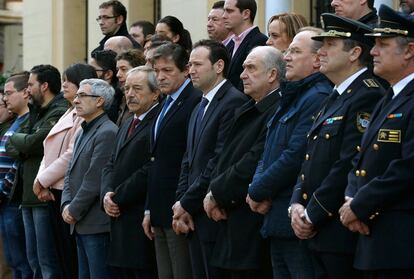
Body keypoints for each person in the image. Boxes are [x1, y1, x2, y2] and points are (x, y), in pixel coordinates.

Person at [290, 15, 384, 279]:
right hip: (316, 229)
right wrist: (296, 204)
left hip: (337, 230)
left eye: (330, 44)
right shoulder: (335, 94)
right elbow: (309, 157)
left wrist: (312, 213)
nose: (321, 51)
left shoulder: (367, 93)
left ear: (354, 53)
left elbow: (348, 163)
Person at [246, 28, 332, 279]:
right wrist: (256, 186)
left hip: (294, 219)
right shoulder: (293, 97)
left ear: (317, 60)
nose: (286, 57)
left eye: (295, 51)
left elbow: (295, 155)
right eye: (288, 51)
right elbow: (268, 149)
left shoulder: (316, 97)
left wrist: (257, 190)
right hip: (276, 217)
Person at [338, 5, 414, 278]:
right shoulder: (389, 96)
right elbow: (361, 157)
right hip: (372, 238)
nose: (373, 51)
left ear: (409, 50)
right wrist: (351, 198)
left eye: (383, 44)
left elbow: (407, 167)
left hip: (400, 242)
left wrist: (359, 205)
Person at [201, 46, 284, 278]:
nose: (242, 74)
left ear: (272, 75)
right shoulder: (251, 107)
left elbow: (252, 161)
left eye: (251, 68)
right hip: (231, 220)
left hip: (248, 222)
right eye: (244, 67)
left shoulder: (276, 109)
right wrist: (212, 191)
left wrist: (216, 192)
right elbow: (224, 158)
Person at [173, 39, 247, 279]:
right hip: (193, 213)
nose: (190, 70)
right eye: (189, 64)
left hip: (212, 212)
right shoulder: (199, 105)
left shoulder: (233, 101)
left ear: (218, 66)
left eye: (197, 64)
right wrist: (181, 202)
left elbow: (219, 160)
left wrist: (187, 203)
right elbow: (188, 159)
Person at [32, 63, 98, 279]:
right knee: (57, 253)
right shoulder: (68, 112)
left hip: (65, 190)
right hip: (53, 187)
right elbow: (47, 148)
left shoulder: (84, 115)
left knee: (69, 256)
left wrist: (42, 179)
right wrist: (41, 180)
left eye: (68, 80)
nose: (63, 85)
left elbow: (70, 155)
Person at [143, 43, 201, 279]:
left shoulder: (195, 100)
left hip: (180, 207)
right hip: (159, 207)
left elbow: (189, 158)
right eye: (156, 71)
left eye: (167, 70)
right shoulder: (163, 103)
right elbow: (155, 160)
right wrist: (149, 208)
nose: (160, 77)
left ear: (185, 70)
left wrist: (183, 204)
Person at [6, 65, 68, 279]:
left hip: (44, 195)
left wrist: (24, 143)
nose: (28, 90)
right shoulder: (35, 111)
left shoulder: (59, 111)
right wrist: (25, 144)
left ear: (44, 86)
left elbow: (32, 143)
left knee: (47, 262)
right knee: (33, 261)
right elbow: (13, 146)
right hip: (27, 194)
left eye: (31, 85)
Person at [102, 66, 160, 279]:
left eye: (137, 88)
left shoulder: (157, 122)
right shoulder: (127, 122)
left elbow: (150, 166)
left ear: (155, 93)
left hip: (138, 217)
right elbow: (110, 163)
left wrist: (117, 197)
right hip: (118, 218)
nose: (130, 94)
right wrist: (106, 194)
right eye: (127, 88)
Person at [61, 78, 117, 279]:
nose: (76, 100)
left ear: (100, 101)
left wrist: (73, 209)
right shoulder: (82, 131)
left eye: (82, 95)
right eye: (76, 96)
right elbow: (70, 172)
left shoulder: (107, 132)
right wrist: (66, 204)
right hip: (79, 221)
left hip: (95, 223)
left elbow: (94, 180)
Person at [0, 73, 33, 279]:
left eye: (9, 93)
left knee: (22, 261)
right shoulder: (16, 123)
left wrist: (2, 191)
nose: (5, 98)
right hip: (5, 201)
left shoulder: (27, 123)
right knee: (13, 261)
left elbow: (17, 164)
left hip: (13, 200)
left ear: (25, 93)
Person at [223, 0, 268, 91]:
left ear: (246, 14)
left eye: (229, 11)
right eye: (224, 11)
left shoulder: (259, 41)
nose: (224, 16)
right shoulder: (230, 44)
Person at [114, 49, 146, 126]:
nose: (118, 74)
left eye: (123, 69)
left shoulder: (145, 99)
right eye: (118, 70)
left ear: (137, 69)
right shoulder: (120, 98)